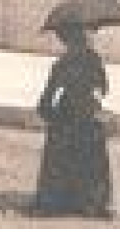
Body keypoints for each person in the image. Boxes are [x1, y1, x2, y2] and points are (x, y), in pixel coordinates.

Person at [33, 24, 112, 219]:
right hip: (87, 115)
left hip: (65, 116)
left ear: (65, 41)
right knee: (92, 159)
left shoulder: (62, 64)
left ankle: (56, 201)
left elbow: (47, 98)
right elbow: (103, 88)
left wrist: (49, 114)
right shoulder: (94, 60)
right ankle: (92, 202)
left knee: (59, 155)